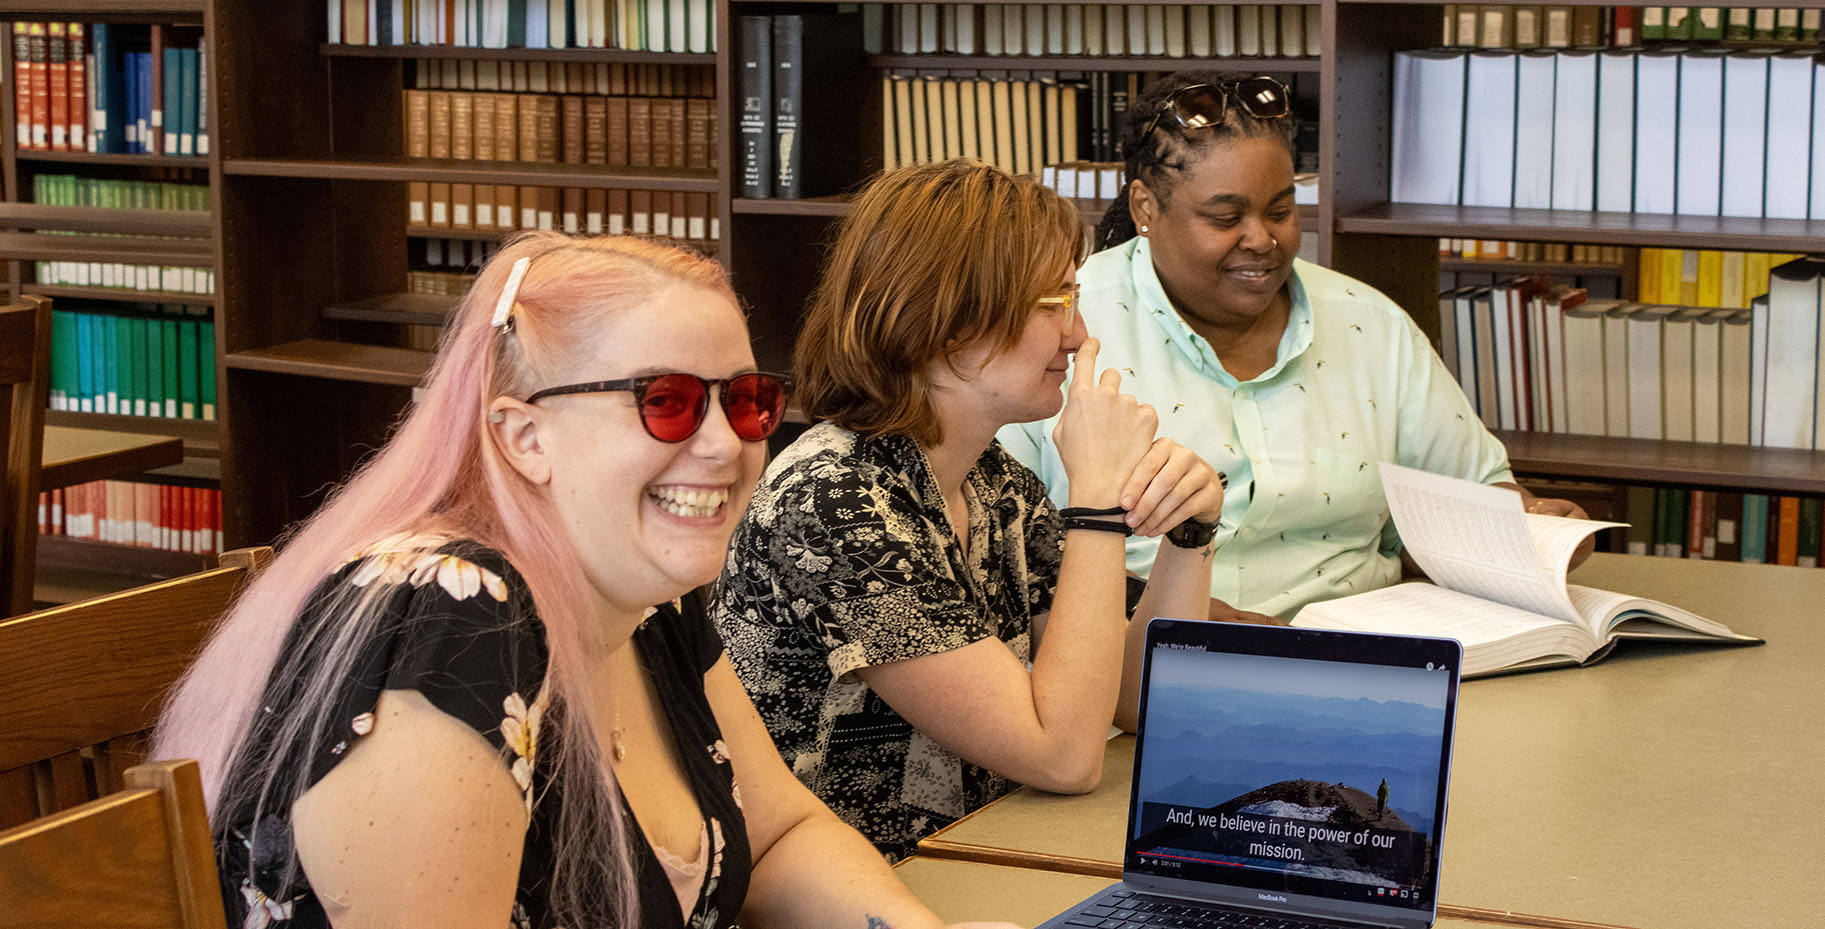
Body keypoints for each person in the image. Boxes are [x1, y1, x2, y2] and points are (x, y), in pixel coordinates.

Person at [153, 232, 1019, 929]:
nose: (725, 444)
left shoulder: (650, 598)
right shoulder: (450, 616)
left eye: (746, 399)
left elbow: (782, 832)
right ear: (524, 436)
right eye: (667, 401)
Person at [713, 161, 1227, 862]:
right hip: (864, 893)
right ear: (946, 320)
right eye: (1053, 303)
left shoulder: (993, 482)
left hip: (979, 855)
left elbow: (1144, 706)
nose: (1076, 336)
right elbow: (1062, 754)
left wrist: (1189, 537)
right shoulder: (834, 502)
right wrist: (1097, 501)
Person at [999, 71, 1591, 623]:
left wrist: (1535, 527)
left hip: (1367, 657)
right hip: (1140, 670)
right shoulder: (1066, 326)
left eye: (1281, 210)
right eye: (1225, 217)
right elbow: (1004, 550)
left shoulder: (1370, 325)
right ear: (1145, 208)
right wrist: (1232, 633)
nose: (1262, 240)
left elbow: (1470, 491)